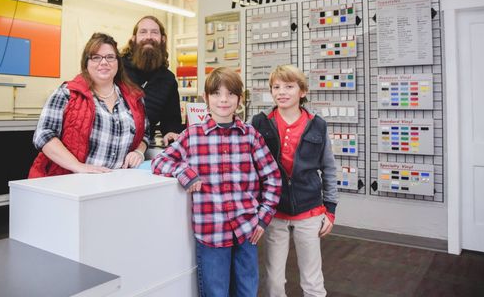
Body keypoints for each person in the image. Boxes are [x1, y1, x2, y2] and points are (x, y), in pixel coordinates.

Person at [151, 67, 282, 297]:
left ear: (239, 99)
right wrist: (185, 172)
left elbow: (272, 177)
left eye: (230, 94)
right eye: (216, 94)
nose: (223, 100)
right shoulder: (192, 135)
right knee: (216, 291)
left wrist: (263, 218)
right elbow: (160, 161)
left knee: (247, 290)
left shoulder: (250, 135)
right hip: (211, 231)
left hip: (247, 229)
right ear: (205, 98)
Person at [251, 65, 338, 297]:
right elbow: (251, 167)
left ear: (302, 91)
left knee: (312, 279)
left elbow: (328, 168)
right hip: (274, 211)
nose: (282, 92)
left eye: (289, 86)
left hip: (309, 211)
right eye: (276, 87)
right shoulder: (260, 123)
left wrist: (330, 209)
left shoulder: (317, 124)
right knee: (274, 280)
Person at [28, 32, 149, 178]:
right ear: (86, 63)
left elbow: (145, 135)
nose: (104, 62)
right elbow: (43, 135)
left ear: (118, 62)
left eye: (110, 57)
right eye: (96, 57)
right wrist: (78, 166)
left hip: (116, 182)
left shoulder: (134, 98)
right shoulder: (67, 93)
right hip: (68, 181)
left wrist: (138, 152)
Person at [121, 15, 183, 145]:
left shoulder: (168, 80)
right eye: (143, 32)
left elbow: (171, 120)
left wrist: (171, 131)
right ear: (133, 39)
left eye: (154, 32)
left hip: (142, 149)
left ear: (163, 39)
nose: (148, 36)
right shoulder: (117, 69)